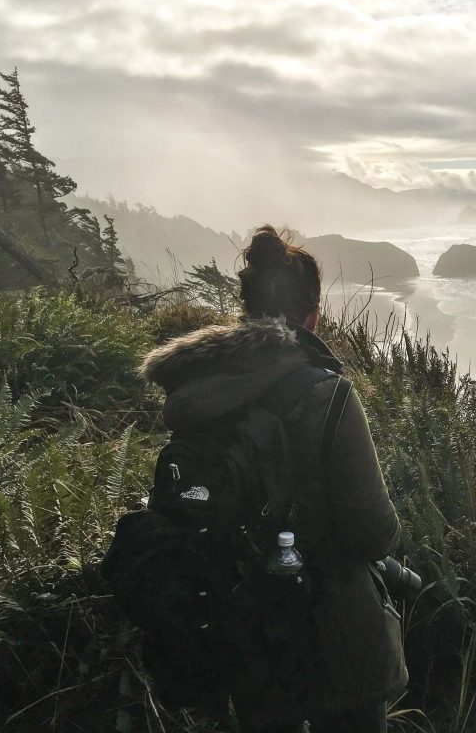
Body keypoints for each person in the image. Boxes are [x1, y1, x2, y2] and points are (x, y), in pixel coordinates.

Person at [141, 225, 407, 732]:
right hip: (334, 633)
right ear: (314, 314)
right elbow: (373, 531)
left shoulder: (197, 392)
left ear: (244, 310)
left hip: (236, 624)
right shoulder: (327, 395)